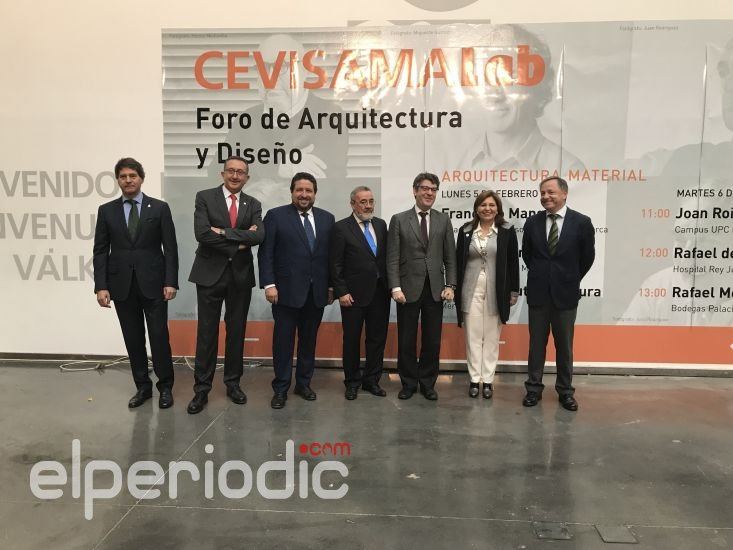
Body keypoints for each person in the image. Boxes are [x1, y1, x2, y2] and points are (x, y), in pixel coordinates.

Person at [93, 157, 179, 409]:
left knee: (159, 337)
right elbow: (100, 251)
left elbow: (170, 249)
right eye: (123, 176)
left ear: (141, 178)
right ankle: (143, 387)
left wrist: (171, 281)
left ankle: (165, 387)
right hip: (121, 286)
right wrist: (101, 286)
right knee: (133, 338)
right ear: (117, 180)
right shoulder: (106, 210)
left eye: (132, 175)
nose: (128, 180)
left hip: (154, 284)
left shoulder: (159, 208)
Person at [186, 156, 265, 414]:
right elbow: (202, 233)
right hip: (209, 274)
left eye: (240, 172)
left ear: (247, 178)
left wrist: (222, 232)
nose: (235, 176)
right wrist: (239, 242)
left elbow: (259, 235)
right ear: (222, 174)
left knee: (236, 332)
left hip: (240, 277)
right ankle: (201, 389)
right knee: (206, 334)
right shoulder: (204, 197)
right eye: (231, 171)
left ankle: (233, 384)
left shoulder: (253, 204)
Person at [258, 172, 335, 409]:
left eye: (308, 190)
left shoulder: (327, 219)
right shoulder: (276, 216)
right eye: (299, 190)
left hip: (316, 292)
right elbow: (266, 253)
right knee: (283, 343)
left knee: (308, 341)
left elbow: (331, 257)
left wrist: (331, 286)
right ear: (291, 192)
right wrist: (269, 284)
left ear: (315, 194)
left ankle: (303, 384)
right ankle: (281, 388)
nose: (304, 194)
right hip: (285, 293)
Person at [521, 176, 595, 411]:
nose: (546, 197)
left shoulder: (581, 222)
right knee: (536, 346)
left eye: (551, 192)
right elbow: (528, 256)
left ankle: (565, 392)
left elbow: (587, 258)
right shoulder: (532, 222)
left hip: (566, 295)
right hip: (538, 294)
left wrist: (568, 278)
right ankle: (533, 389)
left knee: (564, 347)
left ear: (564, 194)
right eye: (542, 193)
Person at [386, 172, 457, 401]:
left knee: (432, 340)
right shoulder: (399, 219)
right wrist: (395, 287)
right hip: (407, 289)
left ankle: (427, 383)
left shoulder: (443, 220)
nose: (429, 193)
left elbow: (450, 257)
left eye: (433, 189)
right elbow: (392, 257)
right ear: (415, 191)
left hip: (435, 290)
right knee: (406, 339)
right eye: (425, 188)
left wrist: (451, 285)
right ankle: (408, 383)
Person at [455, 190, 520, 399]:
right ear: (476, 208)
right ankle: (475, 379)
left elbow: (513, 262)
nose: (487, 209)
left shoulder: (507, 230)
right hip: (470, 290)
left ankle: (488, 381)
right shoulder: (466, 230)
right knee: (473, 337)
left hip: (496, 292)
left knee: (491, 338)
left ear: (498, 208)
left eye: (492, 205)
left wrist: (514, 290)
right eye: (483, 205)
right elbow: (458, 262)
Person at [329, 186, 390, 400]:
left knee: (377, 339)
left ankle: (372, 380)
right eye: (363, 202)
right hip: (352, 296)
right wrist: (341, 291)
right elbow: (335, 263)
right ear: (353, 204)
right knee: (352, 340)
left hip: (380, 293)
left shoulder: (381, 225)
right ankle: (352, 382)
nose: (368, 206)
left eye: (371, 201)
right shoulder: (341, 228)